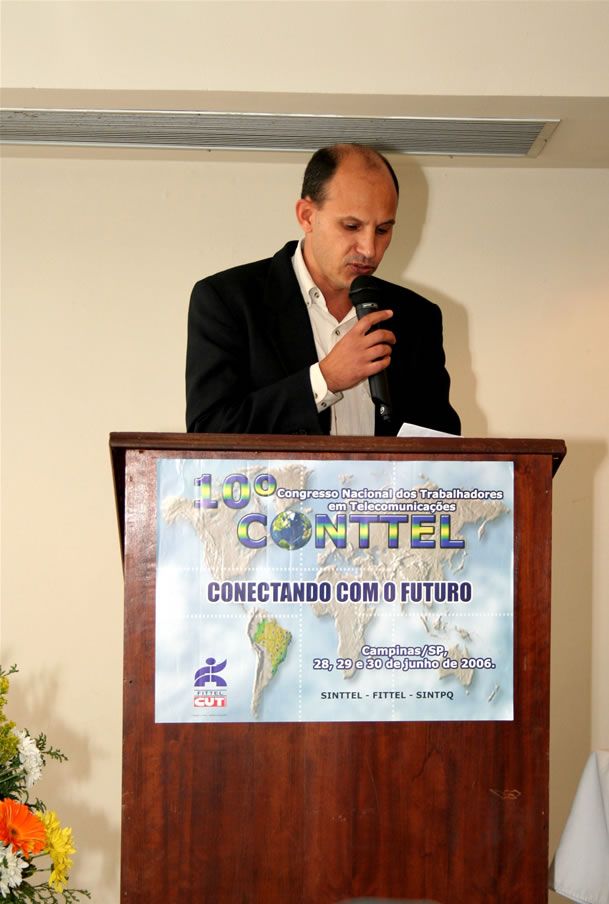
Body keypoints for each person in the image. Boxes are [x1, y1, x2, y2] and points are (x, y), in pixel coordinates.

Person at [186, 143, 460, 436]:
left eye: (382, 230)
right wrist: (324, 379)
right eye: (352, 226)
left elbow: (442, 442)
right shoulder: (227, 301)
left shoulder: (418, 317)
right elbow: (208, 430)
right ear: (307, 216)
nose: (369, 249)